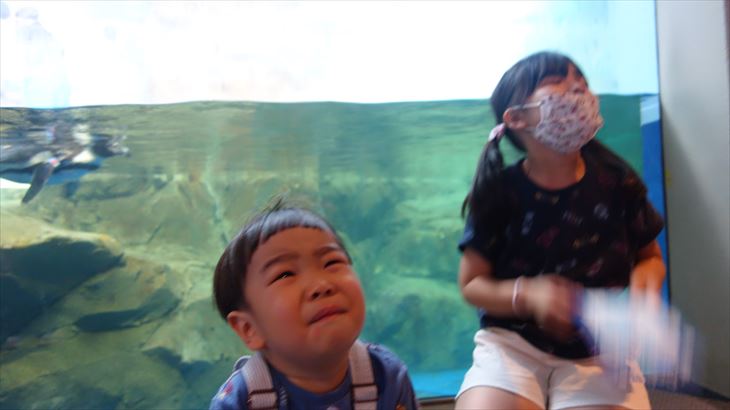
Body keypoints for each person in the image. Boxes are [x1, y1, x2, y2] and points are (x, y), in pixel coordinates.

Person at [455, 51, 666, 410]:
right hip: (511, 344)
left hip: (600, 348)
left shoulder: (619, 182)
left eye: (581, 83)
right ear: (517, 117)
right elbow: (472, 284)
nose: (577, 90)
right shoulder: (498, 193)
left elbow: (650, 258)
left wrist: (644, 292)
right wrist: (528, 295)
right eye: (557, 82)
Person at [210, 198, 419, 410]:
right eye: (285, 274)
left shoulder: (386, 378)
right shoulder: (240, 402)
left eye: (332, 262)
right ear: (249, 328)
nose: (321, 285)